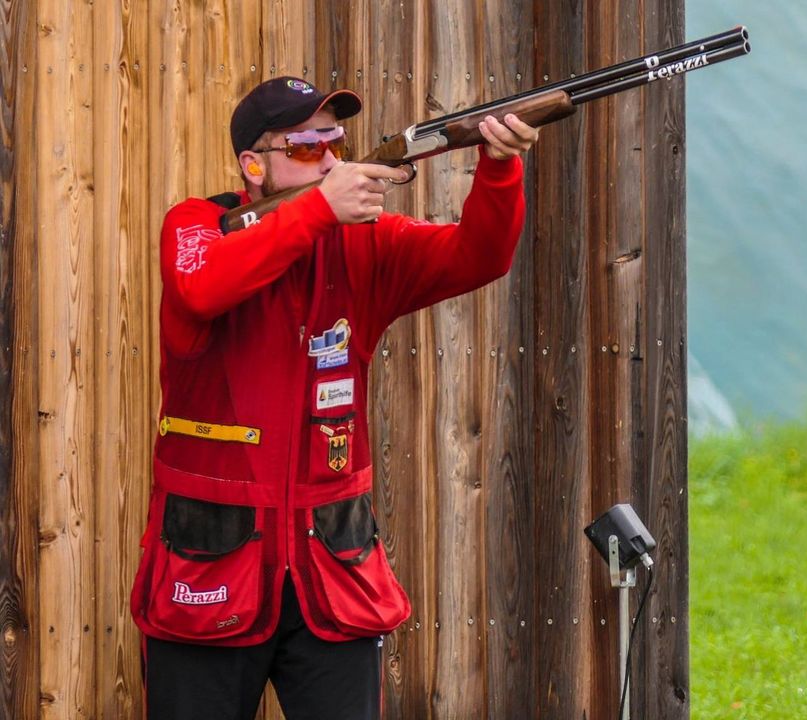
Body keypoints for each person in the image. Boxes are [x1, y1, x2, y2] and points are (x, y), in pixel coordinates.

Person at [128, 75, 539, 719]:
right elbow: (202, 290)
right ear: (252, 165)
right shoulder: (198, 224)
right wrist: (319, 210)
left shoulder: (364, 243)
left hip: (333, 572)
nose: (328, 158)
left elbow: (478, 256)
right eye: (305, 145)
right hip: (207, 571)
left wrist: (498, 169)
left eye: (335, 142)